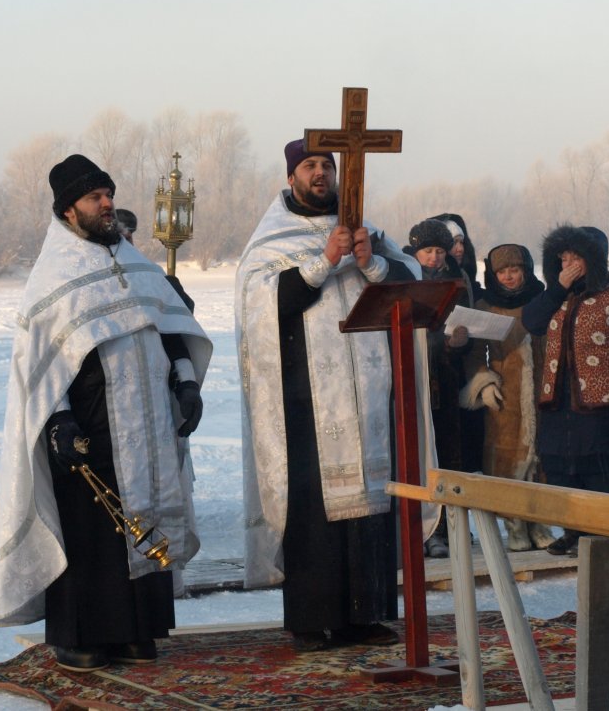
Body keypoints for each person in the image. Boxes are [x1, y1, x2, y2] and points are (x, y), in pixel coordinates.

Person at [0, 154, 212, 673]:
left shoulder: (135, 264)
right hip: (87, 421)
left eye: (108, 195)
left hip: (149, 420)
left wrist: (188, 383)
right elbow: (41, 364)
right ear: (69, 210)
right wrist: (58, 419)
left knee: (147, 511)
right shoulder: (53, 276)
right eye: (94, 198)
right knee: (92, 528)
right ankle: (79, 635)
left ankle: (137, 629)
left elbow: (172, 330)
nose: (107, 205)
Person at [235, 138, 428, 652]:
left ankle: (364, 616)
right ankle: (311, 619)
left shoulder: (371, 234)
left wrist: (371, 263)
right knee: (314, 513)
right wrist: (323, 262)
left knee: (370, 506)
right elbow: (263, 308)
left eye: (327, 165)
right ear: (292, 176)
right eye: (310, 166)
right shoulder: (270, 242)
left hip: (369, 396)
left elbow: (411, 284)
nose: (320, 174)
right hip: (305, 399)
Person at [522, 225, 609, 556]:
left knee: (594, 471)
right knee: (560, 470)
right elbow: (532, 322)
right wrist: (559, 288)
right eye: (563, 256)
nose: (567, 262)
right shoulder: (556, 296)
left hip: (603, 403)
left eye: (575, 256)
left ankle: (597, 536)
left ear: (592, 259)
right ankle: (573, 531)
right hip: (558, 400)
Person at [460, 243, 555, 551]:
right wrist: (484, 384)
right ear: (493, 274)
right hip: (506, 397)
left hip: (544, 393)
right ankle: (514, 526)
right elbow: (474, 354)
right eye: (503, 271)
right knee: (507, 461)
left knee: (542, 461)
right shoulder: (486, 306)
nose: (509, 277)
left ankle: (541, 523)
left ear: (526, 271)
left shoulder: (544, 300)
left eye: (515, 270)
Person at [407, 218, 472, 558]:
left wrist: (458, 342)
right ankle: (420, 529)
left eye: (439, 251)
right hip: (410, 378)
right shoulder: (402, 276)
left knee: (448, 454)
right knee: (415, 453)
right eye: (427, 251)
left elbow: (466, 321)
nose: (433, 257)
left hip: (444, 380)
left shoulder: (456, 280)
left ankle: (450, 527)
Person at [431, 212, 481, 302]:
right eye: (454, 243)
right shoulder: (424, 278)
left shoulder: (464, 276)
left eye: (461, 242)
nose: (460, 249)